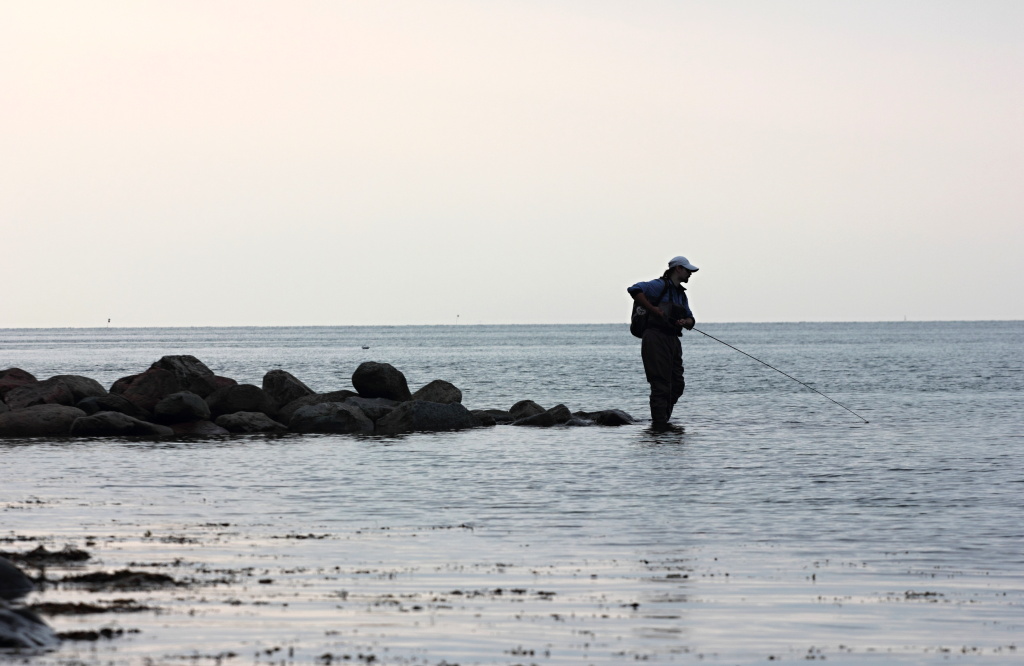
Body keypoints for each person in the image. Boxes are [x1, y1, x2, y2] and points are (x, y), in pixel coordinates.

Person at [627, 256, 698, 431]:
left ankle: (663, 421)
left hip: (673, 339)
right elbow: (634, 289)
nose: (690, 273)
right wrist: (654, 310)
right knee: (660, 384)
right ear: (678, 269)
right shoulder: (658, 285)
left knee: (677, 385)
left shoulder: (681, 294)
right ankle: (659, 426)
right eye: (688, 270)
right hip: (655, 337)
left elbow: (691, 319)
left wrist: (686, 322)